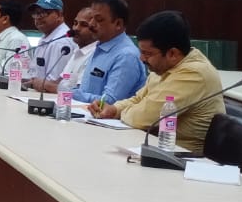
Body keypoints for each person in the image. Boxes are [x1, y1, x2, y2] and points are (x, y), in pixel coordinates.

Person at [90, 11, 221, 153]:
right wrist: (114, 109)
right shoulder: (165, 66)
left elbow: (143, 118)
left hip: (183, 157)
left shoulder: (194, 74)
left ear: (172, 53)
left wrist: (122, 112)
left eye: (147, 53)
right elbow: (139, 99)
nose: (141, 58)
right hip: (156, 148)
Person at [73, 0, 145, 105]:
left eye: (99, 20)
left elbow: (110, 102)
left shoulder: (126, 56)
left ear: (118, 24)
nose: (91, 24)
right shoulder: (100, 47)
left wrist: (71, 93)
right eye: (91, 18)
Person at [33, 6, 96, 93]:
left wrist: (46, 85)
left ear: (95, 28)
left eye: (84, 25)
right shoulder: (77, 50)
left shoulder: (95, 55)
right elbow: (60, 81)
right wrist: (35, 83)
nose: (76, 28)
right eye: (75, 23)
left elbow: (80, 92)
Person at [25, 0, 74, 85]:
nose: (38, 17)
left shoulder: (61, 42)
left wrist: (31, 83)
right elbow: (34, 73)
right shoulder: (46, 37)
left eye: (44, 13)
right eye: (36, 13)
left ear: (59, 14)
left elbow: (53, 82)